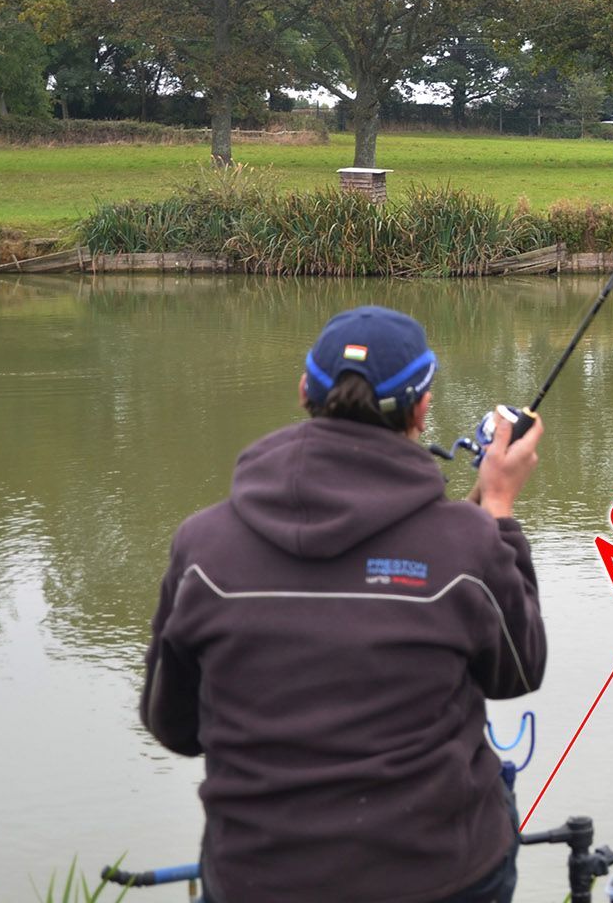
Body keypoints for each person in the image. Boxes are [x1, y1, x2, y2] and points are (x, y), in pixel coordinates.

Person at [140, 305, 547, 903]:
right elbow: (518, 670)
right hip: (439, 878)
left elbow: (173, 727)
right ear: (421, 408)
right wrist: (500, 509)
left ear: (305, 389)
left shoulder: (202, 548)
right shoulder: (468, 543)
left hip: (254, 879)